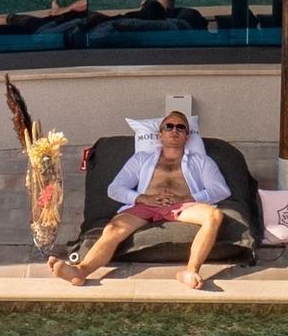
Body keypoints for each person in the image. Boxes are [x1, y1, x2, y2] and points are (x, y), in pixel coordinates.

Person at [54, 108, 230, 290]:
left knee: (214, 216)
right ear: (160, 135)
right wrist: (143, 198)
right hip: (146, 206)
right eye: (169, 126)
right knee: (113, 228)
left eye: (181, 127)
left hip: (183, 205)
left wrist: (187, 197)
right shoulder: (141, 159)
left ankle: (190, 271)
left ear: (187, 136)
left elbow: (220, 189)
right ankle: (81, 271)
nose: (174, 130)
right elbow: (115, 188)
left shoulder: (201, 161)